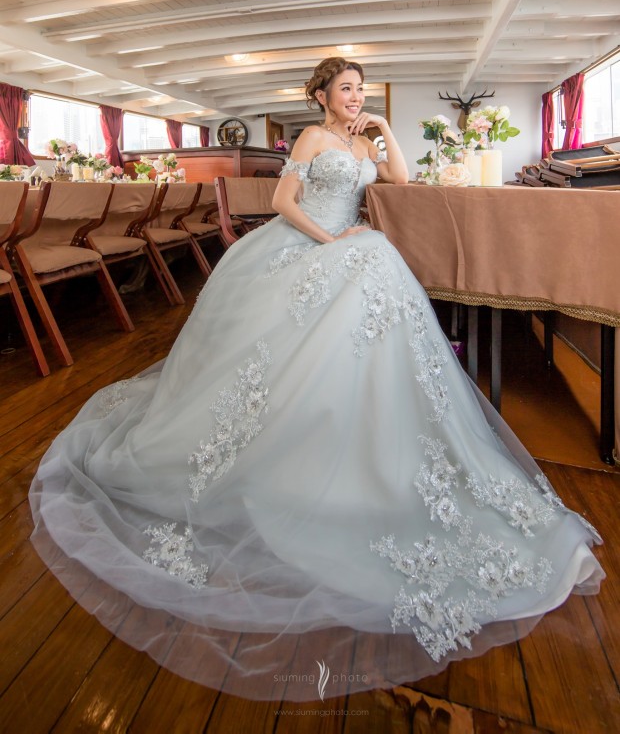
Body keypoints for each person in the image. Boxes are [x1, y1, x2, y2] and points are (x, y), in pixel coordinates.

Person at [30, 57, 603, 703]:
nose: (355, 97)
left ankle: (375, 424)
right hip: (306, 245)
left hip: (353, 246)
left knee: (376, 265)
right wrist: (331, 243)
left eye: (361, 89)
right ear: (323, 95)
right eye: (346, 89)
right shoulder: (310, 138)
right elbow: (283, 204)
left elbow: (400, 179)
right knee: (360, 270)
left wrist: (384, 130)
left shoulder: (362, 141)